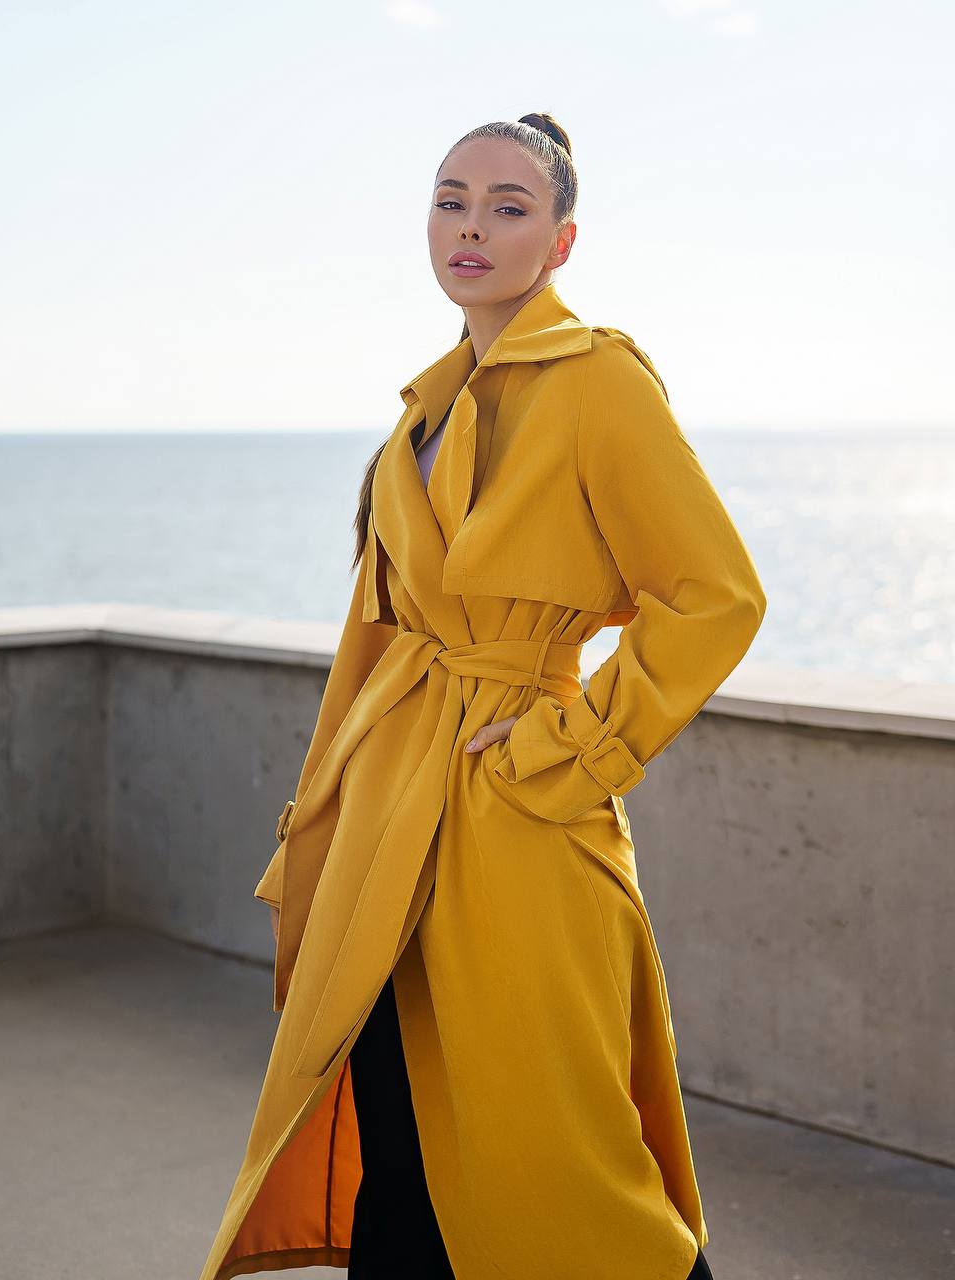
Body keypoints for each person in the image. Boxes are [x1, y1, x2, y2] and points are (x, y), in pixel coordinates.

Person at [198, 113, 765, 1280]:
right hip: (391, 810)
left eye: (509, 206)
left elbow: (715, 595)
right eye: (451, 199)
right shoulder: (420, 409)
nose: (472, 226)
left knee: (562, 1154)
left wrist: (571, 743)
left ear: (559, 241)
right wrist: (327, 812)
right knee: (400, 1142)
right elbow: (372, 645)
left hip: (515, 814)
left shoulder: (601, 381)